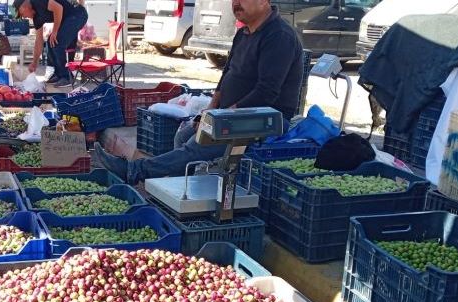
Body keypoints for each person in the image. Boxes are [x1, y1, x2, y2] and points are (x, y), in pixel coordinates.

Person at [93, 0, 303, 184]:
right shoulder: (243, 32)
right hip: (232, 115)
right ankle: (185, 192)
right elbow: (226, 76)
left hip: (266, 118)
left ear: (264, 1)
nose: (236, 3)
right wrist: (209, 111)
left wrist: (223, 117)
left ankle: (134, 171)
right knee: (184, 135)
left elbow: (267, 92)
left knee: (196, 146)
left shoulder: (279, 36)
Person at [12, 0, 87, 88]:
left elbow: (58, 8)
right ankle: (58, 74)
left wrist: (55, 31)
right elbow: (38, 41)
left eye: (22, 14)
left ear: (24, 6)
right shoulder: (36, 19)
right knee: (50, 42)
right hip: (67, 17)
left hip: (77, 14)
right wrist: (34, 62)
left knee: (57, 42)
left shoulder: (38, 2)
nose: (24, 17)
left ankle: (66, 77)